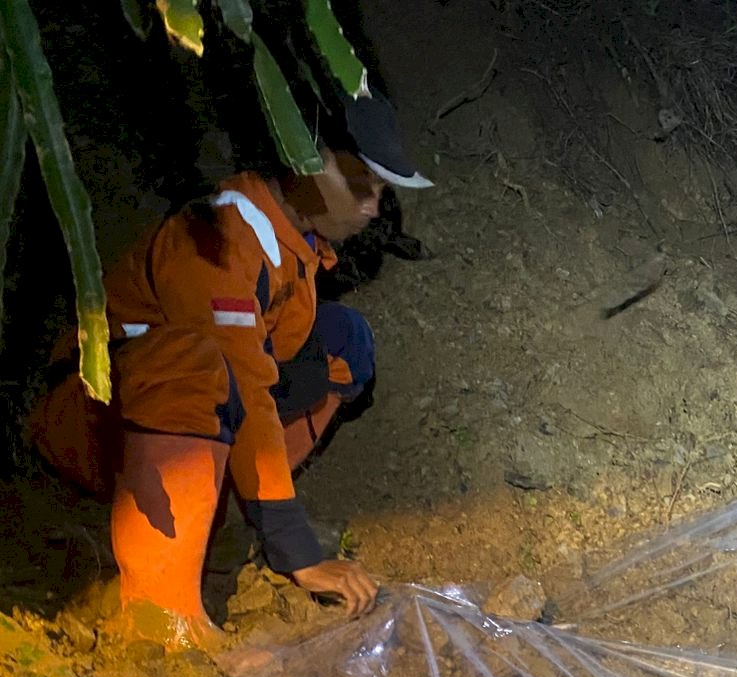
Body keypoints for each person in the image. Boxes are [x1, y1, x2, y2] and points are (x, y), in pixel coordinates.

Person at [27, 92, 433, 647]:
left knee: (344, 343)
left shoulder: (295, 243)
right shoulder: (220, 235)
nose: (371, 208)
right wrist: (298, 550)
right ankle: (163, 617)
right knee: (205, 366)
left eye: (381, 193)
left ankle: (224, 517)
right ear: (305, 158)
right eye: (361, 183)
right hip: (89, 421)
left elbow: (269, 368)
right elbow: (245, 381)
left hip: (168, 426)